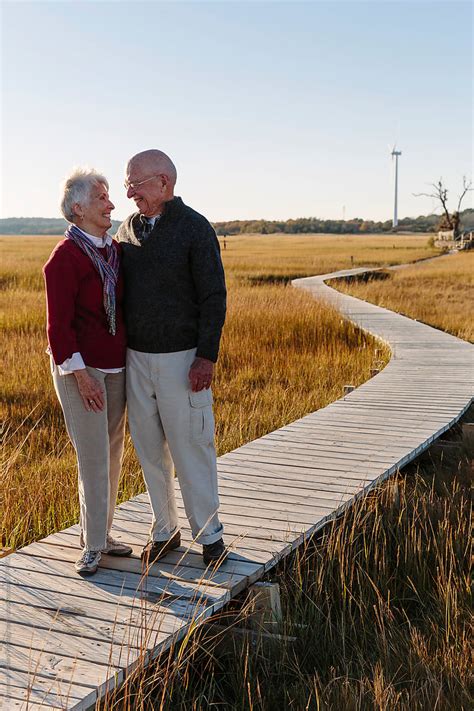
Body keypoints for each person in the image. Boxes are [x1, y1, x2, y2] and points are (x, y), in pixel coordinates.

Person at [116, 149, 227, 567]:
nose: (129, 193)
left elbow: (214, 296)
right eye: (127, 183)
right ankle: (165, 531)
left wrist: (206, 356)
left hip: (183, 361)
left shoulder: (195, 229)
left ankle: (211, 536)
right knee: (149, 450)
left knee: (192, 447)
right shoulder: (127, 229)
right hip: (136, 360)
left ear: (164, 182)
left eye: (135, 184)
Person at [43, 168, 132, 576]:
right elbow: (58, 327)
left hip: (115, 367)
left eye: (109, 196)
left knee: (112, 456)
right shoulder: (64, 259)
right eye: (101, 197)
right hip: (82, 371)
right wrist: (81, 376)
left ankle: (101, 531)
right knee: (93, 458)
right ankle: (93, 545)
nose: (111, 204)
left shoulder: (111, 251)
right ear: (78, 209)